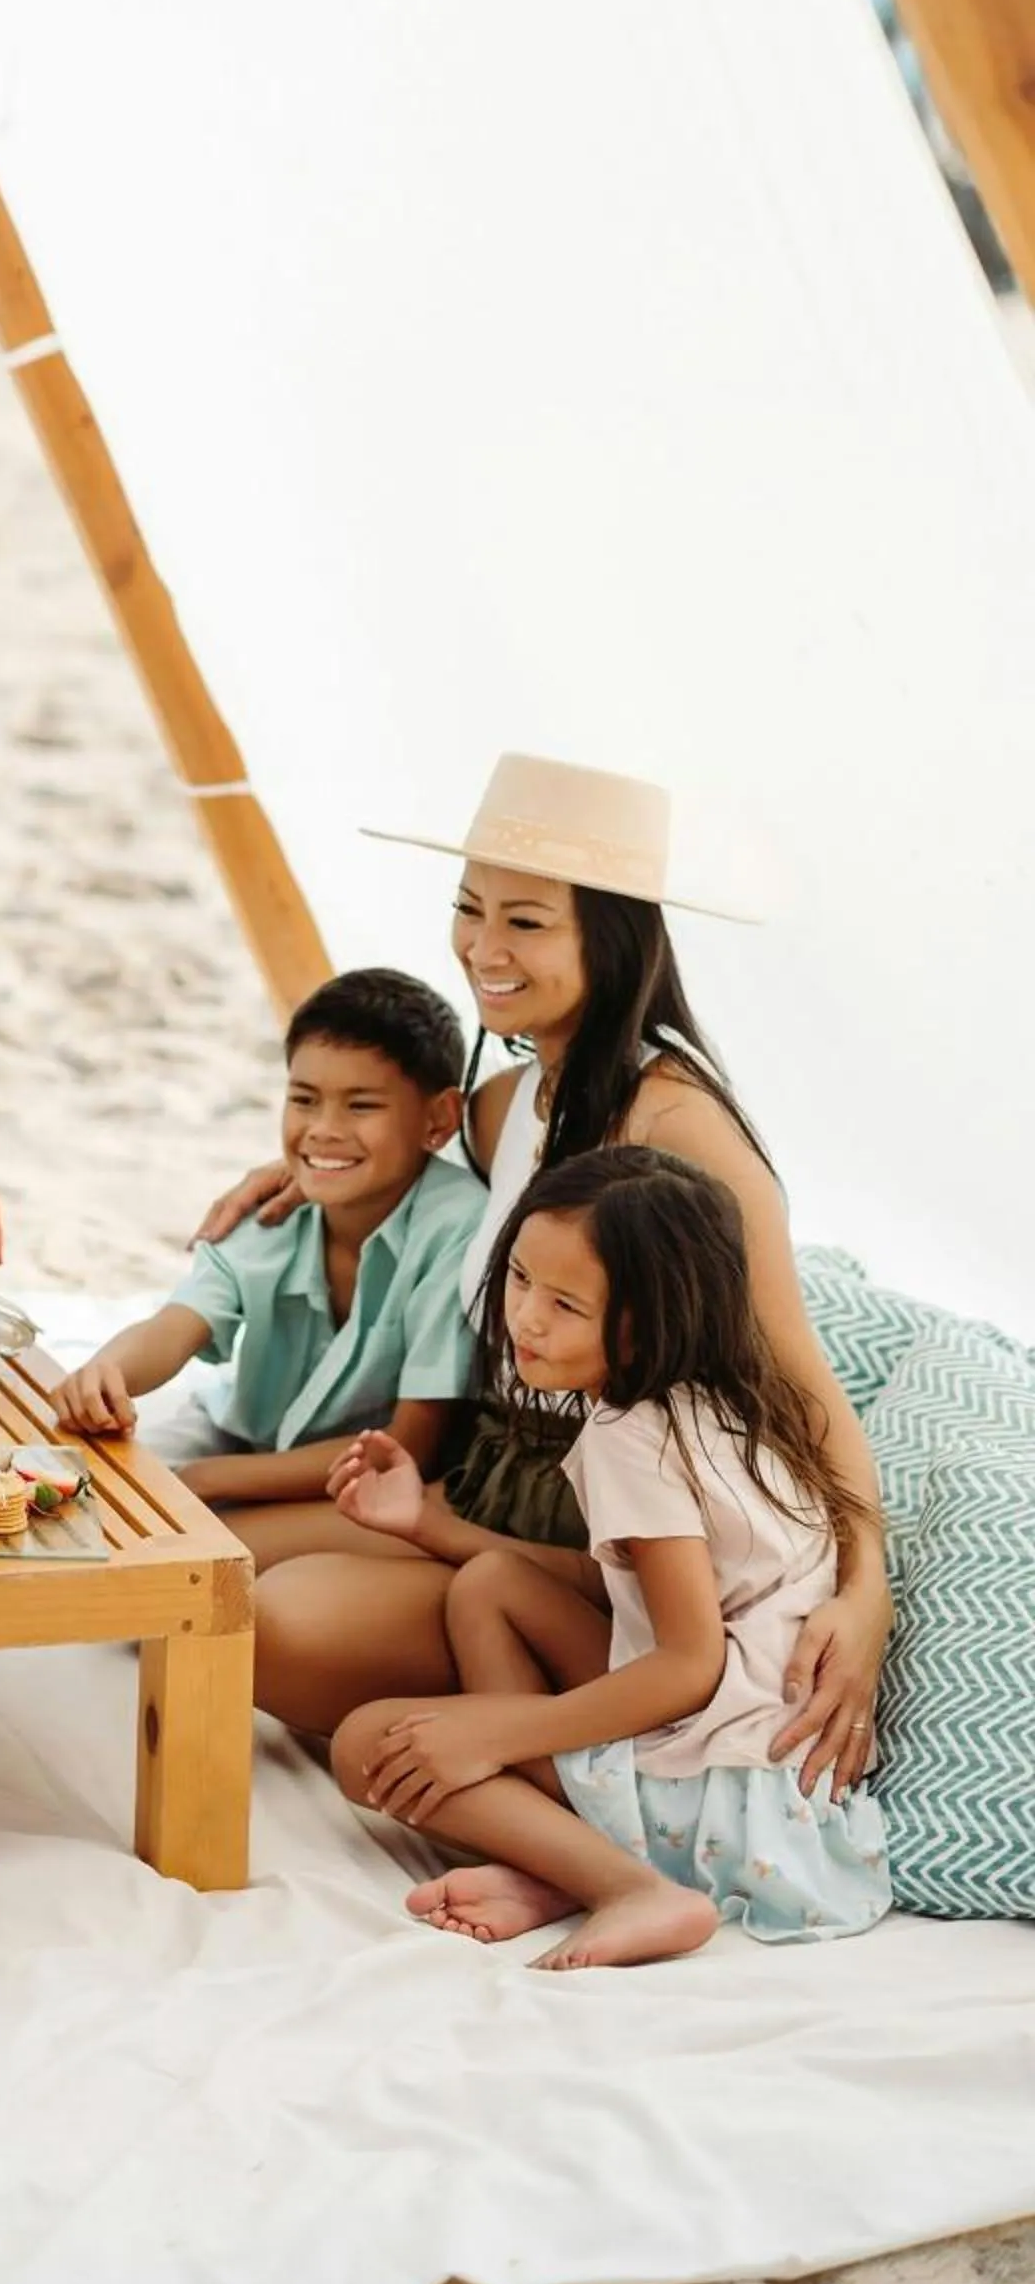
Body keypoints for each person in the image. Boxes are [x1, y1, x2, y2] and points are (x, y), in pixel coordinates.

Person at [199, 755, 891, 1789]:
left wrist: (864, 1596)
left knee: (261, 1624)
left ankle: (552, 1775)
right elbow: (403, 1147)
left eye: (524, 921)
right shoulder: (506, 1099)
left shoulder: (675, 1124)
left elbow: (796, 1373)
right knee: (189, 1556)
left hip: (598, 1532)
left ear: (606, 942)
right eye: (468, 909)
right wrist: (308, 1163)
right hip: (486, 1485)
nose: (481, 947)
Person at [329, 1147, 890, 1967]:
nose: (525, 1319)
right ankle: (559, 1861)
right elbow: (619, 1584)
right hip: (782, 1793)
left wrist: (497, 1732)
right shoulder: (734, 1399)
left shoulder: (630, 1436)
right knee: (490, 1585)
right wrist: (427, 1525)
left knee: (366, 1744)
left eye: (565, 1304)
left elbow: (689, 1662)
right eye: (519, 1280)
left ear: (649, 1320)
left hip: (722, 1791)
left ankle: (630, 1886)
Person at [52, 970, 483, 1567]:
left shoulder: (456, 1227)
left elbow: (409, 1446)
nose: (324, 1129)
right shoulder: (276, 1210)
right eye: (304, 1099)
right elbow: (174, 1326)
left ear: (438, 1120)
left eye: (362, 1105)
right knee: (82, 1496)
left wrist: (213, 1480)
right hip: (241, 1435)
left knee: (168, 1557)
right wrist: (107, 1371)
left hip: (363, 1483)